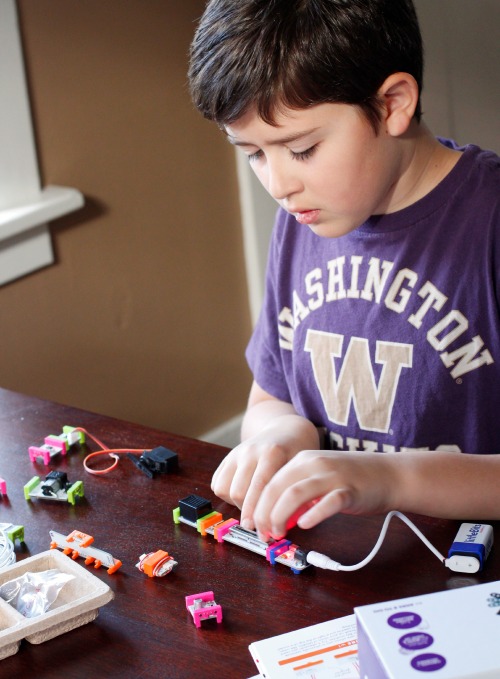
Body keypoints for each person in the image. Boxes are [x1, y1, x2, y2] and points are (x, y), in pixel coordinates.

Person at [188, 0, 500, 542]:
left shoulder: (489, 221)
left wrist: (388, 478)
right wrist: (278, 435)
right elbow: (273, 394)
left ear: (394, 104)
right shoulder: (310, 215)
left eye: (302, 149)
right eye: (253, 154)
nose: (279, 184)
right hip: (346, 559)